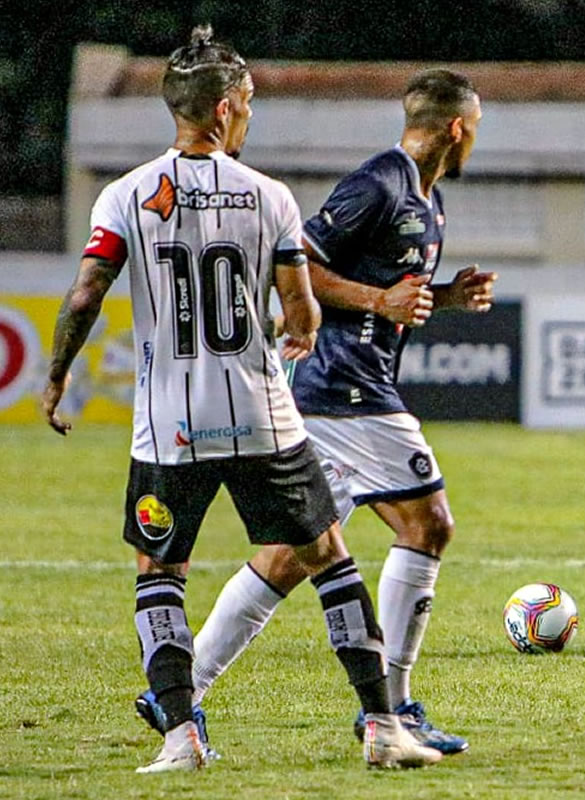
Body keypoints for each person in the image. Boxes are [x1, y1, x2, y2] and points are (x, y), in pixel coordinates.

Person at [40, 26, 441, 773]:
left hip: (170, 424)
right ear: (223, 109)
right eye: (248, 103)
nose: (250, 115)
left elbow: (88, 291)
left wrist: (58, 373)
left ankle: (181, 738)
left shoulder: (125, 195)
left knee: (160, 573)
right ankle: (384, 727)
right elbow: (301, 308)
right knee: (329, 556)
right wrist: (300, 330)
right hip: (264, 417)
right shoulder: (269, 196)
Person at [134, 68, 493, 755]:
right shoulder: (378, 184)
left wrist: (443, 297)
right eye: (475, 129)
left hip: (342, 391)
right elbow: (299, 264)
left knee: (292, 556)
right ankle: (393, 709)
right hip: (344, 390)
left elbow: (390, 291)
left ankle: (178, 689)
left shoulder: (429, 199)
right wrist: (380, 301)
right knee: (428, 524)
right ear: (456, 128)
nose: (475, 140)